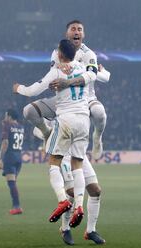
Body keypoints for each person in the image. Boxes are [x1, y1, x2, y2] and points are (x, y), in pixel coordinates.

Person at [14, 39, 94, 228]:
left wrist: (18, 88)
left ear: (59, 54)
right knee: (77, 164)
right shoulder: (83, 69)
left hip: (66, 119)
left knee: (54, 162)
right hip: (84, 121)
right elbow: (92, 75)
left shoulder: (56, 71)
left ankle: (62, 200)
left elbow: (33, 91)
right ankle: (79, 206)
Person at [22, 19, 110, 160]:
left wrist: (70, 80)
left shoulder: (89, 54)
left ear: (84, 34)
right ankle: (47, 132)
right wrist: (53, 83)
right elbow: (54, 77)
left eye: (79, 29)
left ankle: (97, 138)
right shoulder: (57, 53)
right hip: (63, 99)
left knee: (99, 113)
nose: (76, 32)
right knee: (29, 111)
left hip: (86, 98)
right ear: (67, 33)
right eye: (73, 29)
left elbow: (93, 75)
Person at [33, 127, 106, 245]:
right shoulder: (53, 111)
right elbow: (38, 129)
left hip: (79, 153)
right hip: (63, 155)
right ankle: (65, 228)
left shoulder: (79, 110)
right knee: (72, 191)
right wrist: (50, 136)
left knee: (96, 190)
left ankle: (91, 231)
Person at [0, 109, 24, 215]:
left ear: (9, 116)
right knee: (13, 183)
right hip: (18, 157)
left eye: (5, 115)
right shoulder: (21, 127)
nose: (4, 117)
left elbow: (5, 142)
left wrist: (0, 159)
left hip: (10, 156)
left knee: (11, 183)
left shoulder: (7, 125)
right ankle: (16, 205)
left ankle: (16, 206)